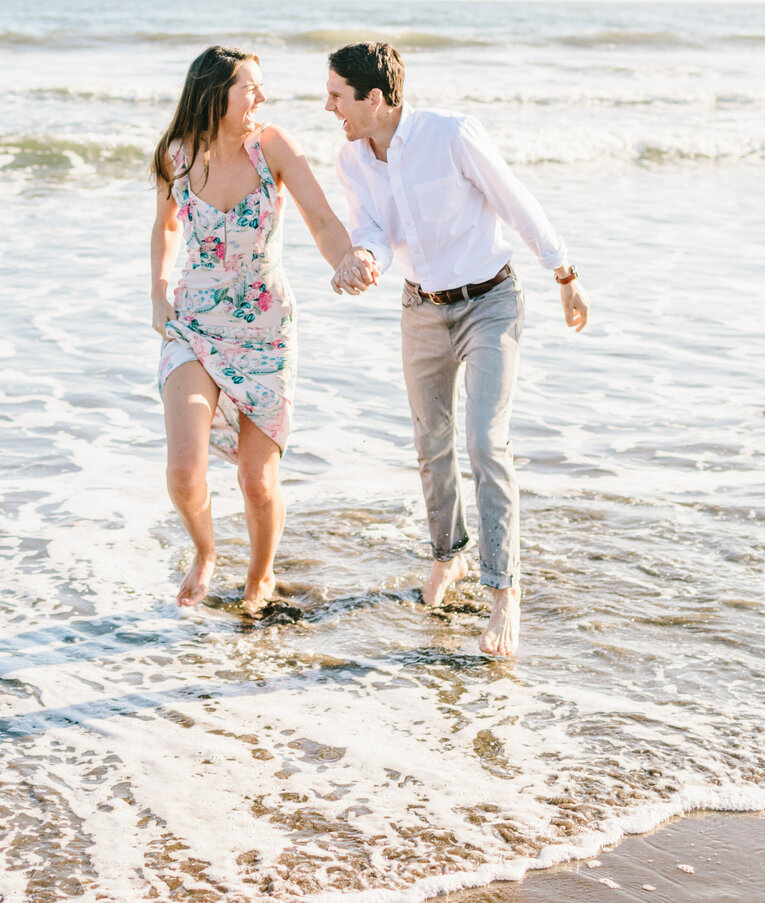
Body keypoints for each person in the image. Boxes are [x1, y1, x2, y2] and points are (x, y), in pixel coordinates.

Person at [326, 41, 587, 659]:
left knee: (484, 443)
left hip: (491, 301)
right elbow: (374, 232)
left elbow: (514, 199)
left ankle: (505, 592)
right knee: (430, 441)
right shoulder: (351, 160)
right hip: (421, 308)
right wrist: (363, 258)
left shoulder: (451, 135)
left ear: (375, 98)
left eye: (337, 95)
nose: (328, 106)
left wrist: (564, 273)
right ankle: (450, 557)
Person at [151, 45, 356, 613]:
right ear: (217, 94)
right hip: (192, 325)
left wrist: (346, 260)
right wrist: (157, 293)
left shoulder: (273, 147)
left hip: (265, 330)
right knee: (185, 471)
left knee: (257, 481)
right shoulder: (179, 155)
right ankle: (206, 551)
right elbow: (166, 226)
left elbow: (321, 219)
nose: (261, 97)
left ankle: (260, 576)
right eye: (251, 87)